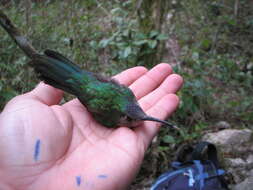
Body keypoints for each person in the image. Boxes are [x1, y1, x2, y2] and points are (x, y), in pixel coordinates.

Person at [0, 63, 183, 190]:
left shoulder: (127, 96)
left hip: (89, 82)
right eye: (131, 120)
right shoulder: (110, 119)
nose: (140, 122)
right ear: (122, 117)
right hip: (86, 87)